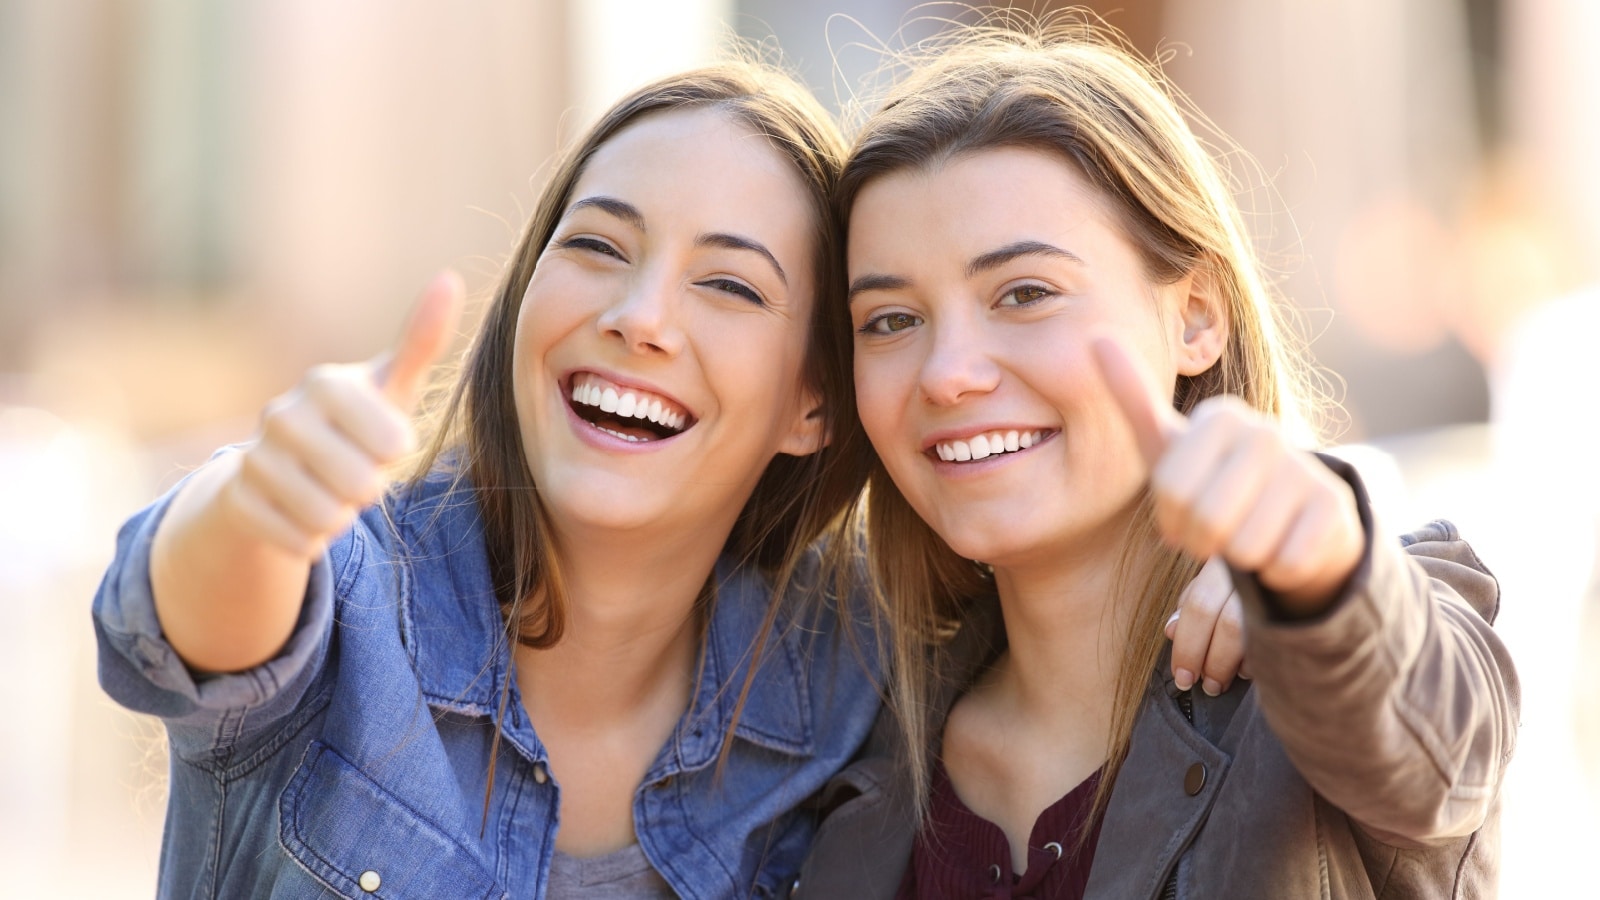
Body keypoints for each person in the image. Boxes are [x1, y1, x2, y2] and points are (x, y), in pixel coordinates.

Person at [92, 60, 885, 899]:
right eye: (597, 245)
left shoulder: (852, 677)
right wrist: (256, 507)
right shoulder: (356, 593)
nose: (640, 316)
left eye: (730, 284)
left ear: (816, 402)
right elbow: (171, 617)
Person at [796, 21, 1519, 900]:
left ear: (1196, 317)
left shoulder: (1338, 640)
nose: (947, 373)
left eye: (1025, 294)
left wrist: (1313, 568)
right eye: (890, 320)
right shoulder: (843, 723)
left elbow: (1437, 747)